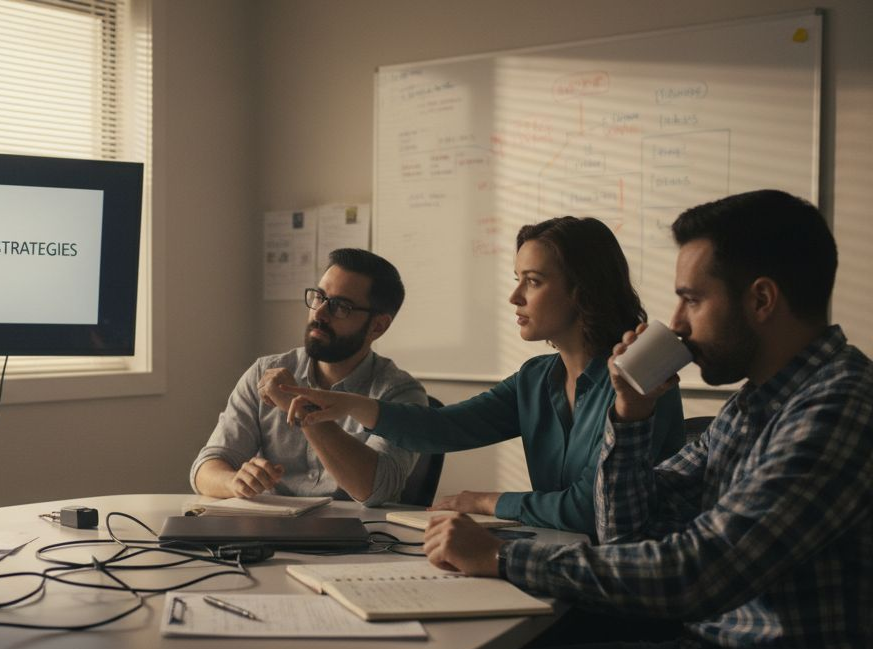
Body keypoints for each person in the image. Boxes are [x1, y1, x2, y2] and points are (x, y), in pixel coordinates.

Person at [410, 190, 872, 649]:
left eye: (692, 300)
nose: (674, 323)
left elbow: (696, 573)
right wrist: (630, 417)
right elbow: (627, 535)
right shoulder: (757, 404)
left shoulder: (838, 407)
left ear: (760, 300)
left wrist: (503, 557)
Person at [285, 217, 684, 535]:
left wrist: (484, 501)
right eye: (517, 280)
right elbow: (444, 429)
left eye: (533, 281)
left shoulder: (641, 383)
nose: (515, 298)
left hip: (620, 584)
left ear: (582, 290)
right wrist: (350, 404)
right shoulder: (536, 378)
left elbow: (589, 508)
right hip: (555, 560)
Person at [190, 248, 428, 506]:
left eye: (340, 306)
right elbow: (206, 468)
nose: (320, 313)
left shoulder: (400, 394)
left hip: (358, 538)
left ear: (377, 326)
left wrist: (302, 410)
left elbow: (374, 489)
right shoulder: (265, 372)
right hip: (267, 533)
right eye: (319, 297)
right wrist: (234, 481)